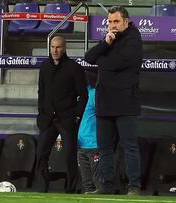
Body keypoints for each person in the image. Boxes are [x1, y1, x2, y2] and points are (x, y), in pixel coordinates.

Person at [84, 6, 143, 195]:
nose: (112, 25)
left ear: (126, 21)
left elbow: (119, 62)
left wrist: (103, 59)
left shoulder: (134, 39)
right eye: (109, 21)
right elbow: (89, 57)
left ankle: (134, 186)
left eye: (116, 21)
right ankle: (105, 186)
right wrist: (105, 44)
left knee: (129, 146)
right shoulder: (110, 38)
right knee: (104, 148)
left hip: (126, 101)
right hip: (105, 101)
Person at [35, 35, 88, 193]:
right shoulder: (44, 67)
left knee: (69, 156)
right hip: (48, 119)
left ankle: (71, 189)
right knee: (41, 154)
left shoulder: (74, 68)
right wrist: (41, 112)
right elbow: (41, 92)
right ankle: (42, 187)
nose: (55, 50)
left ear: (64, 48)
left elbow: (83, 95)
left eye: (58, 47)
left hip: (67, 119)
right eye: (52, 47)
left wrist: (77, 115)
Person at [77, 71, 99, 194]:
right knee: (87, 184)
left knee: (98, 183)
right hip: (80, 145)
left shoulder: (95, 94)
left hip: (94, 144)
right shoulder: (78, 96)